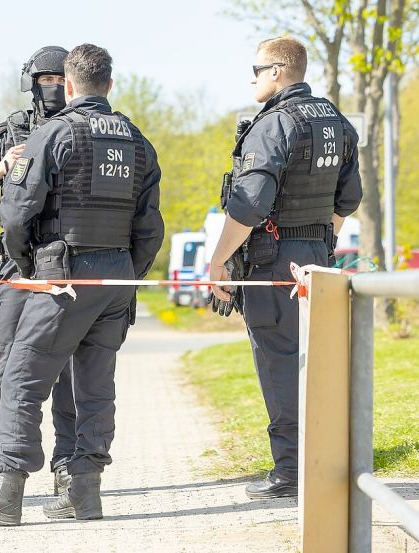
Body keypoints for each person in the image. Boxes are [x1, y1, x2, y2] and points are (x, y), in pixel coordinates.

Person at [0, 43, 163, 525]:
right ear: (109, 82)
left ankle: (7, 491)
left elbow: (18, 213)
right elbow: (150, 226)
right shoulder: (134, 138)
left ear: (68, 82)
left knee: (22, 379)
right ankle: (83, 493)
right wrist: (124, 275)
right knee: (93, 384)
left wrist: (32, 266)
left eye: (54, 80)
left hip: (54, 275)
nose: (48, 89)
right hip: (109, 278)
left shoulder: (58, 133)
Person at [207, 36, 361, 499]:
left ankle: (291, 471)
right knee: (318, 362)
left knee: (279, 362)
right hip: (318, 258)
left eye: (256, 70)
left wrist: (218, 263)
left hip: (274, 263)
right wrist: (322, 241)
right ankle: (328, 462)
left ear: (277, 71)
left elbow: (250, 204)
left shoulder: (273, 124)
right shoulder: (337, 121)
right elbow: (348, 200)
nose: (252, 78)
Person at [0, 45, 77, 497]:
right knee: (3, 366)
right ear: (32, 83)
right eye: (46, 81)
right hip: (15, 269)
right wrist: (2, 170)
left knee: (68, 372)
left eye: (61, 80)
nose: (54, 89)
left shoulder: (81, 131)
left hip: (66, 265)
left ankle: (69, 466)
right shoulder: (9, 131)